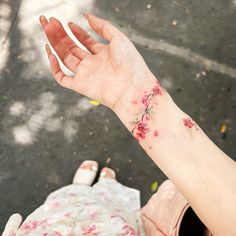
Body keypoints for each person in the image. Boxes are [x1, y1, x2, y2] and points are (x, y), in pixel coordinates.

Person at [3, 14, 236, 235]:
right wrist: (138, 98)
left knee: (80, 215)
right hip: (189, 211)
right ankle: (92, 195)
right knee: (101, 214)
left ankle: (84, 195)